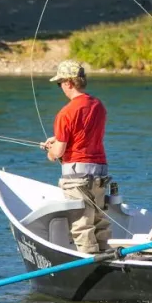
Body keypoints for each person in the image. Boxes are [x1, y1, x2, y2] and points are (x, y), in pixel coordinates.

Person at [41, 60, 111, 254]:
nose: (60, 87)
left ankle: (92, 266)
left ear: (68, 83)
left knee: (82, 224)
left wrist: (50, 151)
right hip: (100, 172)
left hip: (77, 176)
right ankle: (106, 256)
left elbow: (58, 153)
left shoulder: (66, 113)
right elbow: (85, 133)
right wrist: (58, 138)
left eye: (60, 83)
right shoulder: (98, 105)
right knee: (99, 221)